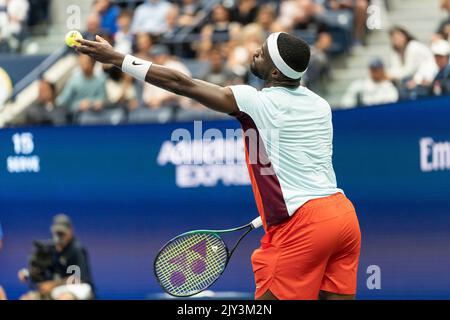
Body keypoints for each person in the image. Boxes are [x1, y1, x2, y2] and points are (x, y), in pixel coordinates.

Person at [76, 31, 361, 300]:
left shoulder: (255, 102)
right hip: (342, 217)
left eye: (261, 55)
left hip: (302, 226)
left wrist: (116, 58)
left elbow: (180, 83)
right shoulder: (320, 105)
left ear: (275, 73)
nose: (254, 55)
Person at [19, 214, 95, 300]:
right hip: (56, 289)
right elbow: (42, 269)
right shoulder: (50, 248)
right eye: (57, 233)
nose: (59, 237)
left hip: (78, 288)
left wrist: (52, 285)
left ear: (70, 231)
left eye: (62, 233)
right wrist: (27, 273)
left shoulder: (76, 249)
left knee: (65, 298)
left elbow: (77, 278)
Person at [56, 54, 107, 121]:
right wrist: (78, 105)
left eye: (85, 61)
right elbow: (61, 101)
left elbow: (102, 98)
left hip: (97, 115)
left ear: (92, 62)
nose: (82, 64)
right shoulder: (73, 81)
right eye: (81, 61)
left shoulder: (101, 79)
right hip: (77, 117)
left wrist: (93, 103)